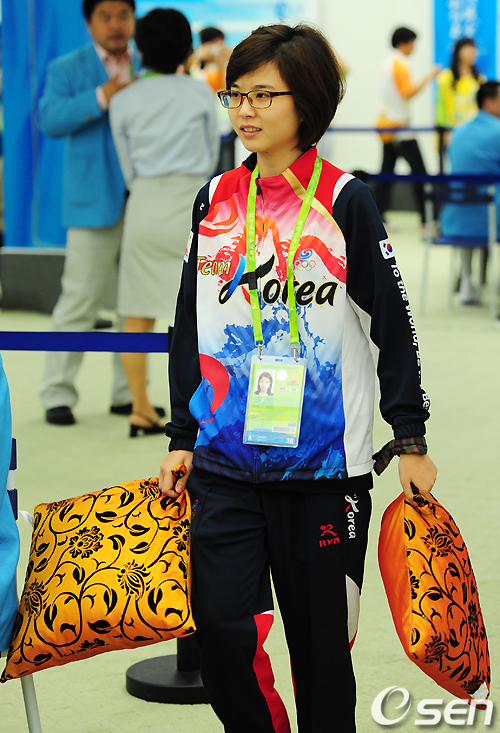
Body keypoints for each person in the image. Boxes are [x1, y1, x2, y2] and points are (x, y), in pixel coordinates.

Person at [159, 23, 437, 732]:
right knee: (220, 629)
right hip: (225, 460)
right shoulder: (214, 197)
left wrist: (409, 436)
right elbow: (190, 320)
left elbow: (392, 322)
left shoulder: (345, 200)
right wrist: (182, 434)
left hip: (324, 473)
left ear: (306, 100)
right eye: (235, 95)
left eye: (263, 95)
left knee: (321, 653)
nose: (245, 110)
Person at [109, 8, 219, 437]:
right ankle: (200, 413)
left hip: (145, 205)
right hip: (193, 205)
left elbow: (126, 166)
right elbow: (211, 156)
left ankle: (140, 406)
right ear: (187, 48)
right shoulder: (199, 93)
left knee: (136, 311)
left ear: (140, 48)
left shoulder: (124, 98)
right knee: (198, 311)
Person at [38, 0, 142, 426]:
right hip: (90, 199)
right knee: (79, 299)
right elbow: (49, 118)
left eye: (123, 15)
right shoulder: (67, 67)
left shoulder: (149, 62)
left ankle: (126, 394)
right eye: (105, 16)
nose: (116, 24)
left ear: (134, 18)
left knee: (134, 303)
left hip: (143, 200)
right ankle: (56, 394)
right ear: (89, 22)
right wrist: (102, 96)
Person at [440, 81, 500, 305]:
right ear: (489, 102)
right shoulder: (498, 131)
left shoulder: (458, 131)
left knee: (470, 212)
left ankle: (466, 280)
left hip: (454, 218)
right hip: (491, 218)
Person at [375, 27, 439, 227]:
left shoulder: (387, 63)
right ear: (405, 43)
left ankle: (378, 218)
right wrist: (428, 77)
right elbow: (407, 92)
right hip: (400, 127)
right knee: (420, 172)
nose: (414, 47)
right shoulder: (399, 63)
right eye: (413, 43)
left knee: (386, 174)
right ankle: (427, 219)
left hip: (387, 125)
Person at [436, 38, 485, 168]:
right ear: (458, 52)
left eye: (474, 50)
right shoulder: (445, 78)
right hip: (453, 132)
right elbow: (441, 107)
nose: (471, 53)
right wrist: (443, 132)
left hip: (475, 133)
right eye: (468, 49)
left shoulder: (479, 80)